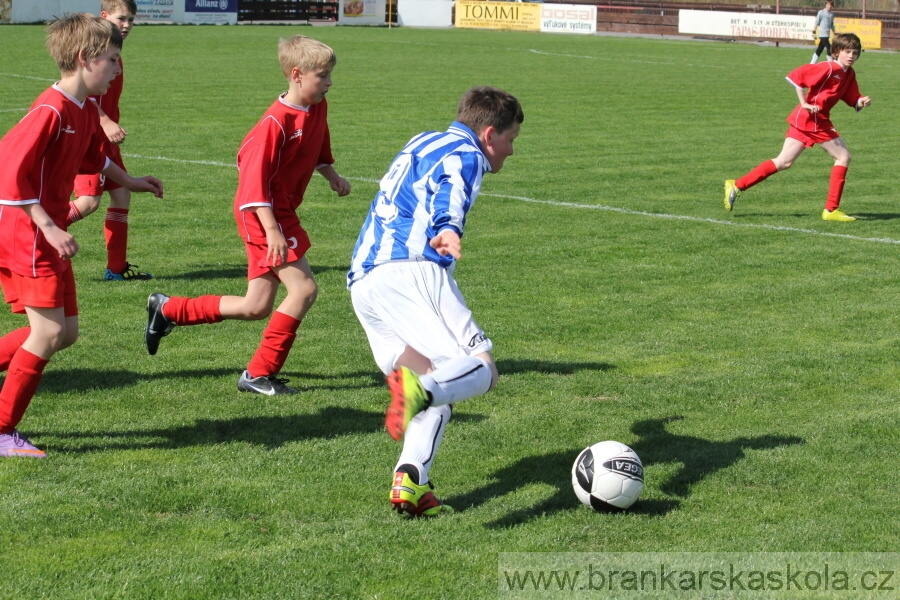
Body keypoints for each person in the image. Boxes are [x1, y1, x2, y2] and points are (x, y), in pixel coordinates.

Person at [347, 86, 523, 516]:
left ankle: (411, 482)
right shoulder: (467, 155)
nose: (511, 151)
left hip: (365, 281)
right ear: (488, 134)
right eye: (510, 140)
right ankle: (418, 391)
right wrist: (449, 228)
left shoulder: (422, 139)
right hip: (410, 271)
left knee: (436, 380)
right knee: (480, 369)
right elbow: (451, 190)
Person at [144, 35, 350, 396]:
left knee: (255, 306)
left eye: (331, 74)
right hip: (264, 214)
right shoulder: (275, 123)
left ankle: (169, 309)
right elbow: (252, 185)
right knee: (303, 289)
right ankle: (258, 374)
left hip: (278, 212)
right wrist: (271, 230)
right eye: (324, 75)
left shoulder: (317, 106)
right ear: (297, 75)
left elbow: (319, 143)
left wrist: (330, 173)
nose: (330, 82)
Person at [0, 13, 164, 458]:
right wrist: (49, 225)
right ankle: (2, 430)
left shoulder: (84, 108)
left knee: (64, 332)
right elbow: (8, 174)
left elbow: (94, 159)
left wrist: (131, 183)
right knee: (48, 333)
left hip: (39, 231)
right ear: (83, 59)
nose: (116, 69)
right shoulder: (50, 110)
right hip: (28, 231)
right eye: (111, 60)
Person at [724, 33, 871, 222]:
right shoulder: (827, 67)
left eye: (855, 52)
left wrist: (861, 101)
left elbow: (852, 98)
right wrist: (804, 103)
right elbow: (797, 77)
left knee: (784, 162)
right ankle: (831, 210)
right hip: (813, 120)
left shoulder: (848, 74)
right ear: (836, 52)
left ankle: (737, 184)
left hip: (809, 120)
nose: (851, 55)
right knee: (843, 156)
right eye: (847, 51)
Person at [68, 0, 152, 281]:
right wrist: (105, 121)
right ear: (104, 16)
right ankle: (34, 231)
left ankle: (116, 270)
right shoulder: (97, 54)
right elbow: (84, 93)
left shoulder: (113, 53)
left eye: (131, 19)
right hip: (92, 137)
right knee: (89, 201)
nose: (127, 24)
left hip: (107, 140)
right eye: (121, 18)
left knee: (122, 194)